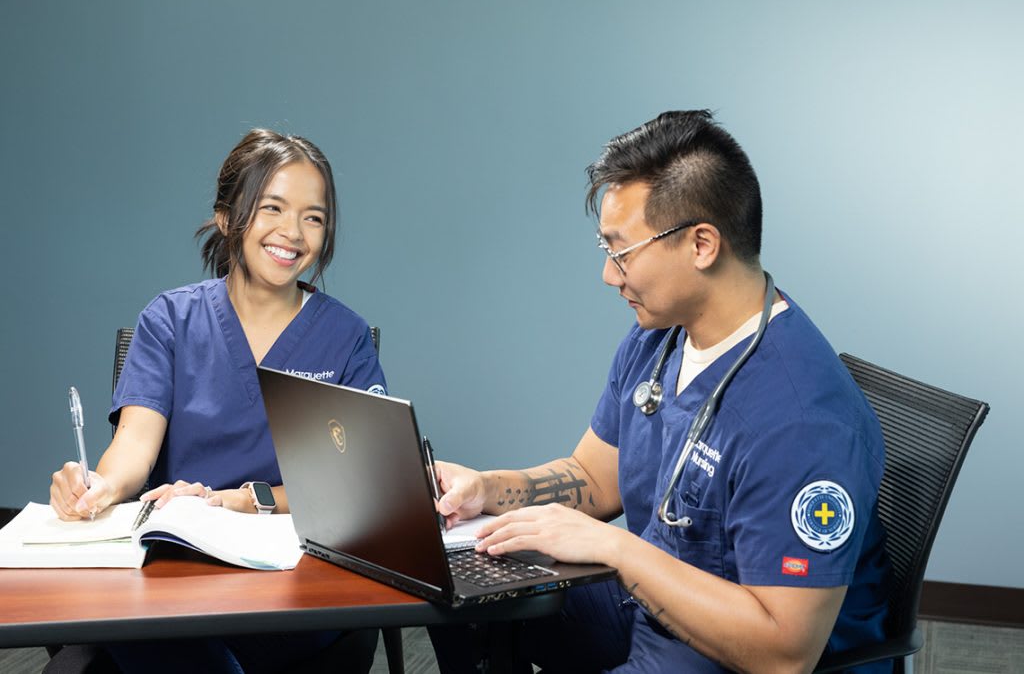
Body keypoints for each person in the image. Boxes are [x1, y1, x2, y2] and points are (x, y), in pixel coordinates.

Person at [430, 110, 890, 673]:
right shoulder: (662, 338)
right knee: (462, 599)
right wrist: (486, 490)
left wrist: (617, 549)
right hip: (651, 604)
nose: (607, 274)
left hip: (731, 650)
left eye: (621, 252)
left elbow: (783, 653)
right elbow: (597, 479)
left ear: (701, 245)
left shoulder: (803, 421)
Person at [49, 129, 386, 673]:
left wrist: (244, 500)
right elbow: (133, 444)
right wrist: (98, 486)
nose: (292, 233)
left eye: (313, 217)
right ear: (228, 218)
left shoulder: (343, 337)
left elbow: (360, 484)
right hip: (176, 575)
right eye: (271, 208)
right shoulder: (170, 320)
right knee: (144, 633)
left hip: (293, 583)